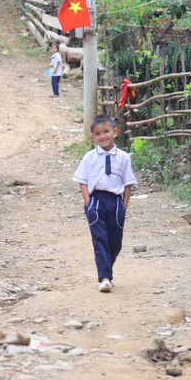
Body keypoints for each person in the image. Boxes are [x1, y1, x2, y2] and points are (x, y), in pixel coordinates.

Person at [71, 115, 137, 293]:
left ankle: (108, 271)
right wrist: (88, 204)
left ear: (115, 132)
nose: (102, 136)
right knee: (100, 238)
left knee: (115, 242)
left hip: (115, 203)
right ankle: (104, 277)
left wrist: (123, 206)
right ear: (93, 137)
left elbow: (128, 183)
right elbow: (82, 181)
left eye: (106, 132)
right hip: (96, 201)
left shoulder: (123, 158)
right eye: (97, 134)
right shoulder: (89, 157)